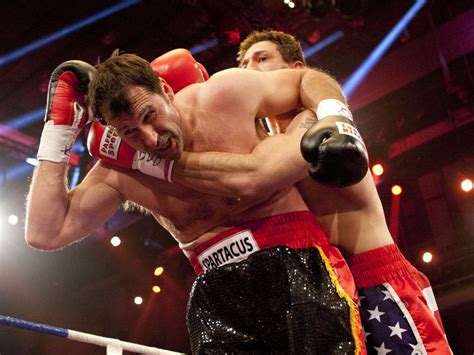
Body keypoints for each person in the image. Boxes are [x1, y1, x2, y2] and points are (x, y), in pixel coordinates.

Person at [25, 49, 366, 353]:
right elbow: (46, 232)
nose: (151, 138)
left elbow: (307, 79)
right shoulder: (119, 171)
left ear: (167, 92)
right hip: (218, 295)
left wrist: (337, 116)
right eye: (129, 132)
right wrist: (58, 133)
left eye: (149, 115)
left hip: (299, 264)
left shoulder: (222, 96)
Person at [170, 30, 452, 354]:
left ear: (295, 67)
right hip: (323, 286)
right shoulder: (262, 141)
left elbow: (251, 178)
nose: (250, 69)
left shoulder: (314, 123)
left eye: (262, 59)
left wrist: (152, 160)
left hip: (376, 281)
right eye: (245, 63)